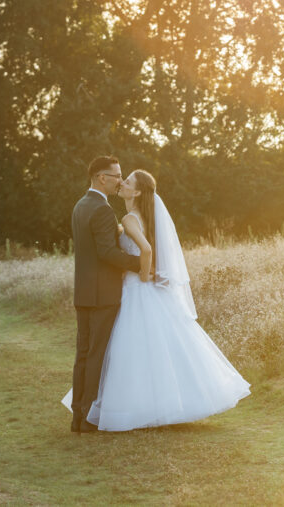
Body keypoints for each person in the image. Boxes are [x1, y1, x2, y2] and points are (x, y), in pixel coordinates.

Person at [63, 169, 250, 431]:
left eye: (127, 181)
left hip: (135, 288)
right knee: (153, 349)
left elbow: (147, 250)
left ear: (138, 192)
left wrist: (143, 274)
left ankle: (124, 408)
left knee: (130, 350)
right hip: (138, 289)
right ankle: (156, 405)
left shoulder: (129, 218)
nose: (122, 183)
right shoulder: (144, 218)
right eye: (121, 178)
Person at [68, 155, 145, 433]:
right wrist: (140, 264)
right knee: (97, 355)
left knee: (84, 354)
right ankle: (88, 417)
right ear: (102, 178)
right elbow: (107, 252)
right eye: (117, 176)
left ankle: (78, 416)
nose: (120, 181)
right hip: (103, 295)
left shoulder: (80, 205)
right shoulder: (102, 209)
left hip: (84, 293)